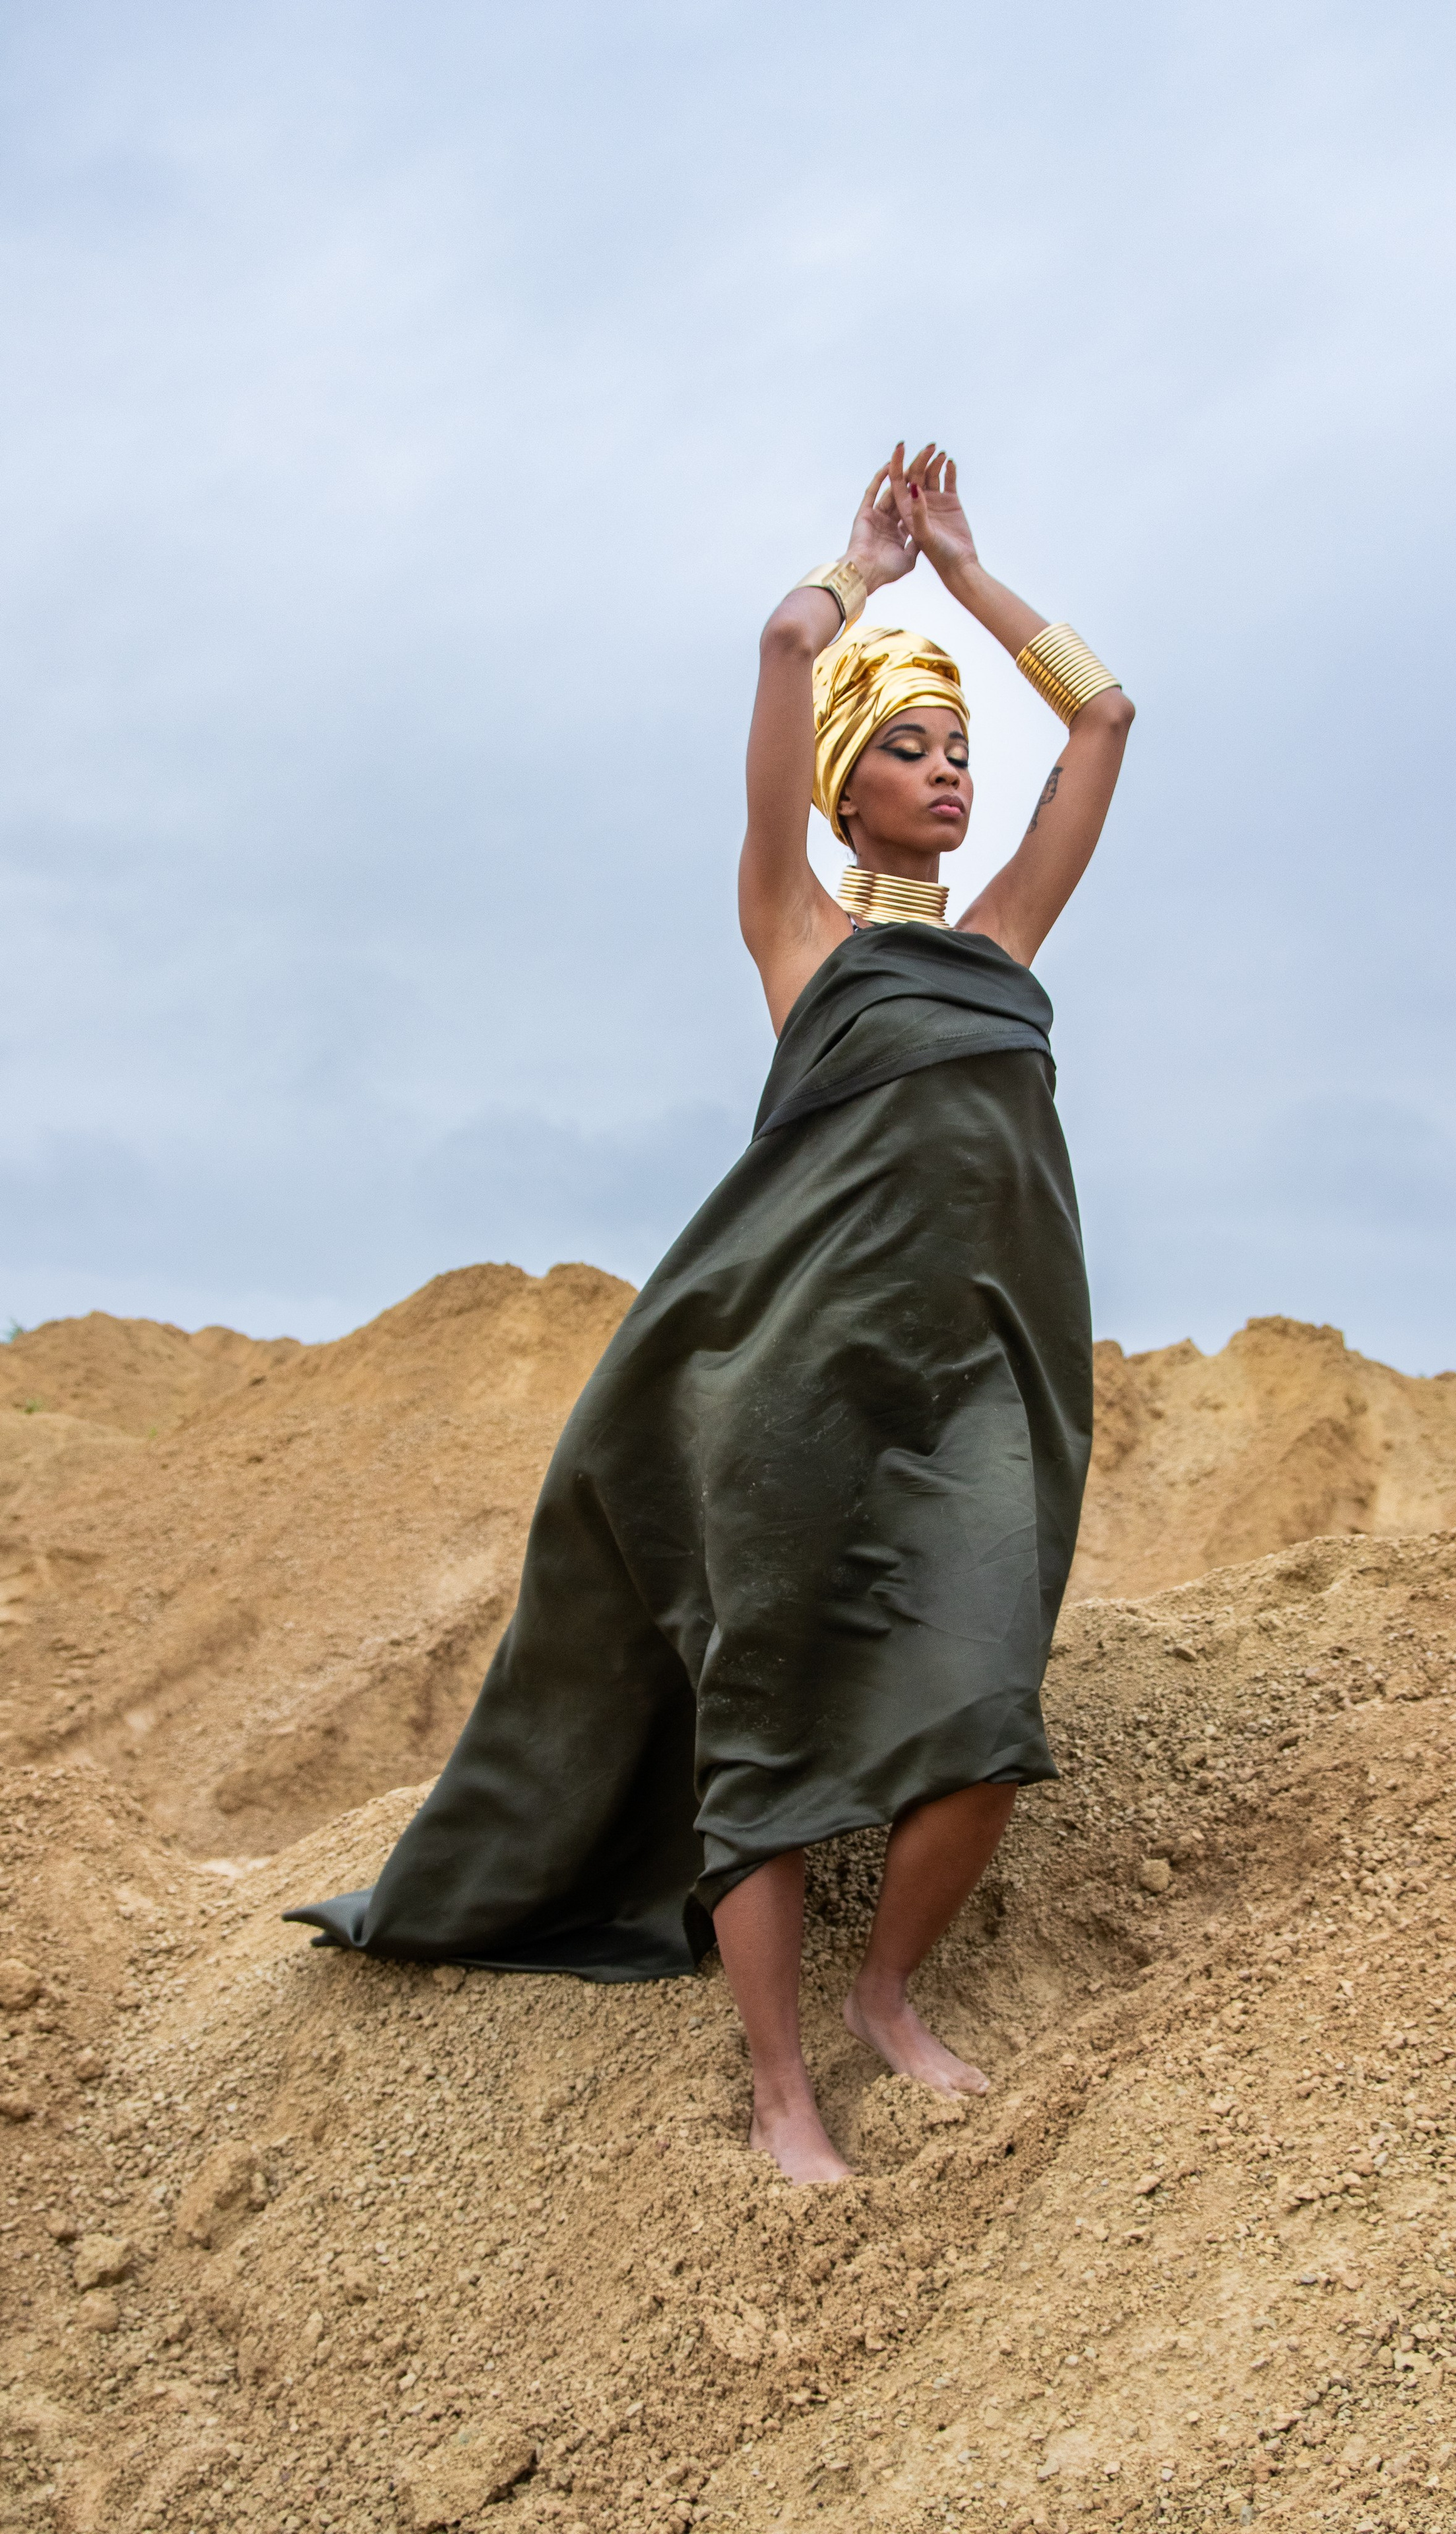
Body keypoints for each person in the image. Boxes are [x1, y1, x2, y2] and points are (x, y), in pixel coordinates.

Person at [286, 443, 1133, 2184]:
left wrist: (974, 574)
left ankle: (886, 1994)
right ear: (845, 787)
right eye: (911, 747)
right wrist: (864, 568)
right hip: (791, 1378)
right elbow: (781, 645)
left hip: (971, 1384)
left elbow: (1108, 718)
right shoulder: (796, 933)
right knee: (764, 1722)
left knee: (985, 1707)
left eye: (962, 749)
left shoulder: (1004, 945)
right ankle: (779, 2086)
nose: (952, 773)